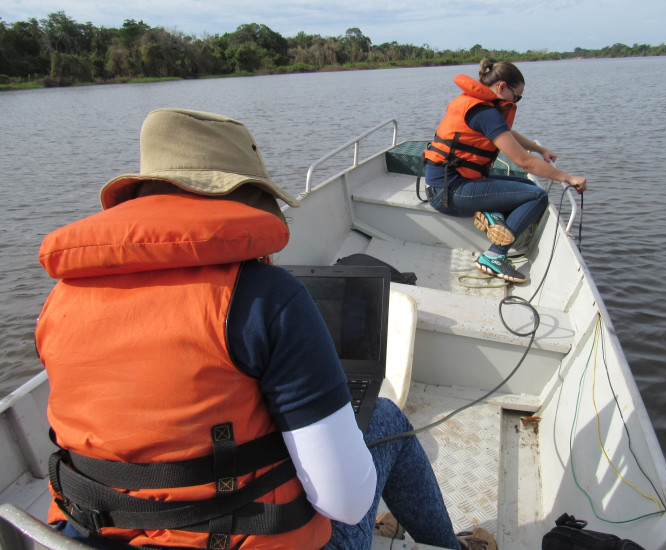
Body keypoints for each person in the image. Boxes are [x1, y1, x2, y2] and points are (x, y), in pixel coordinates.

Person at [35, 108, 494, 549]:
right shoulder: (266, 297)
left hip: (99, 534)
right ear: (244, 199)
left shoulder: (60, 301)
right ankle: (448, 546)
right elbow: (347, 505)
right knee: (386, 420)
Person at [424, 59, 587, 284]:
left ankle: (493, 216)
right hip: (450, 192)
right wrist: (568, 178)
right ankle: (494, 255)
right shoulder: (485, 113)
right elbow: (524, 163)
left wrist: (540, 149)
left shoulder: (475, 104)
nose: (516, 101)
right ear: (502, 87)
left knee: (528, 188)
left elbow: (507, 133)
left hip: (445, 185)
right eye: (517, 96)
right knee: (538, 196)